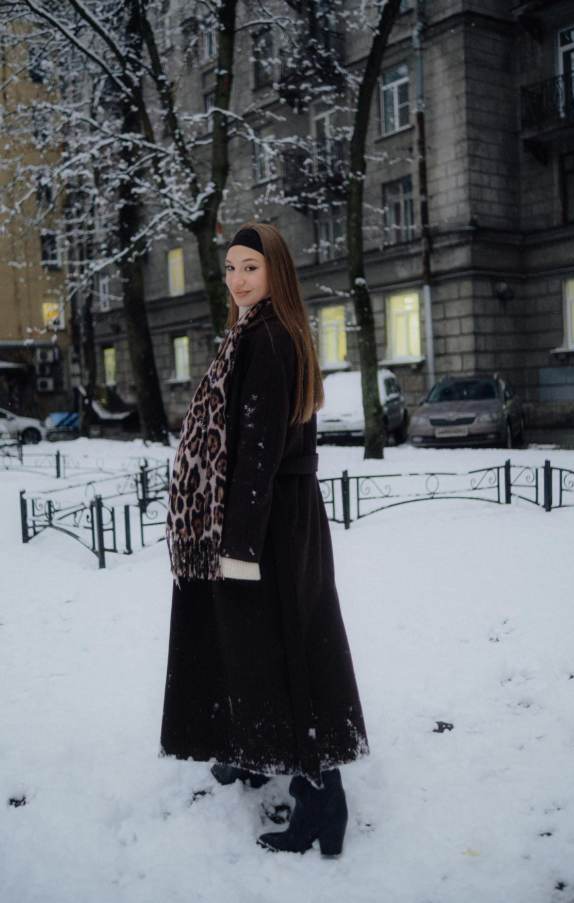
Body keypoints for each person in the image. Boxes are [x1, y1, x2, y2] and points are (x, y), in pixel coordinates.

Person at [159, 221, 369, 856]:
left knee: (285, 653)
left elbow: (257, 454)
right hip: (273, 516)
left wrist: (238, 546)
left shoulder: (270, 339)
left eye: (250, 266)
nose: (238, 279)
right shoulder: (256, 333)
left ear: (276, 270)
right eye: (230, 269)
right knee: (250, 646)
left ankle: (321, 805)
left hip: (266, 523)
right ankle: (251, 749)